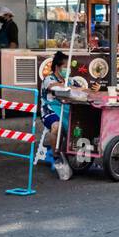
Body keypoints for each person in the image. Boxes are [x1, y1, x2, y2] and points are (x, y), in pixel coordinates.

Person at [37, 51, 72, 180]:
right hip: (49, 110)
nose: (68, 70)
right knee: (56, 127)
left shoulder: (70, 80)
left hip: (67, 110)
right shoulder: (49, 79)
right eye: (65, 67)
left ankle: (78, 155)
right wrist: (66, 85)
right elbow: (53, 87)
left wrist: (93, 89)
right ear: (57, 67)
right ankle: (57, 157)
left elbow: (82, 90)